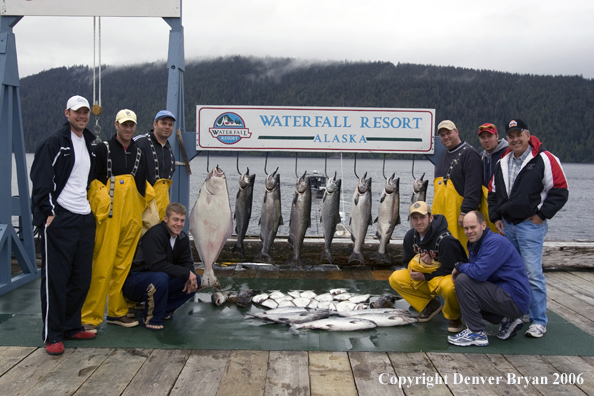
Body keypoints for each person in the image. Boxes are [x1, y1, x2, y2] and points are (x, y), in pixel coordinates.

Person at [488, 119, 569, 338]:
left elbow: (560, 190)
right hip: (507, 227)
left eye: (518, 134)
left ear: (527, 135)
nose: (515, 139)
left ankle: (538, 320)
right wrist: (495, 217)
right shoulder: (502, 162)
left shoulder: (544, 158)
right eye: (511, 136)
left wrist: (541, 215)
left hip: (529, 227)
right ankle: (519, 312)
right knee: (512, 272)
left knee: (533, 273)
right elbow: (493, 193)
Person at [30, 95, 97, 355]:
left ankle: (71, 325)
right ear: (67, 113)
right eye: (77, 112)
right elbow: (41, 178)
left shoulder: (89, 142)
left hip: (84, 217)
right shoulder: (54, 142)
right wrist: (48, 212)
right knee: (56, 279)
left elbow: (86, 179)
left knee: (81, 278)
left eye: (85, 112)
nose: (82, 116)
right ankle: (53, 335)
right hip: (61, 218)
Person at [81, 109, 151, 333]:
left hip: (131, 217)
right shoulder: (103, 149)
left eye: (131, 125)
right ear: (116, 125)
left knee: (122, 266)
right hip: (108, 217)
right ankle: (90, 316)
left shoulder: (139, 152)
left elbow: (143, 186)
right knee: (101, 265)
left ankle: (116, 312)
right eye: (124, 124)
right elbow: (92, 181)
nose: (128, 129)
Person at [447, 211, 531, 347]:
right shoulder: (476, 244)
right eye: (466, 228)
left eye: (473, 227)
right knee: (465, 288)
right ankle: (506, 320)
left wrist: (459, 266)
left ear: (483, 225)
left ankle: (476, 332)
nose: (469, 231)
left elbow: (479, 273)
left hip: (515, 299)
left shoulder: (495, 243)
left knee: (463, 281)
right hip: (506, 295)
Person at [389, 201, 467, 333]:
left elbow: (455, 270)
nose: (419, 222)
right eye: (415, 218)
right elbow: (406, 262)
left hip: (445, 277)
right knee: (395, 278)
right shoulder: (410, 236)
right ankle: (430, 305)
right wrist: (418, 263)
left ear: (431, 218)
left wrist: (429, 270)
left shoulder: (446, 240)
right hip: (426, 279)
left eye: (422, 217)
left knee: (449, 286)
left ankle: (455, 317)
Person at [123, 203, 199, 330]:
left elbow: (187, 263)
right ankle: (151, 318)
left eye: (182, 221)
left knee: (196, 279)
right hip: (135, 282)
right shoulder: (155, 234)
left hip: (159, 279)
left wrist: (190, 274)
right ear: (166, 219)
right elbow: (157, 265)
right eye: (175, 219)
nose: (179, 224)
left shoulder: (182, 237)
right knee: (161, 277)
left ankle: (163, 309)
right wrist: (186, 273)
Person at [432, 120, 484, 250]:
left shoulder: (469, 154)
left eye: (448, 133)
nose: (446, 137)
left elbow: (473, 187)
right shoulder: (445, 154)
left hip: (459, 216)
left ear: (456, 132)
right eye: (442, 135)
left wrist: (465, 212)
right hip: (442, 216)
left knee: (462, 250)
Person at [134, 110, 176, 220]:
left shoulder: (168, 149)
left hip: (162, 208)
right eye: (163, 123)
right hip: (140, 205)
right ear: (155, 124)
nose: (167, 127)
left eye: (170, 124)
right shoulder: (141, 142)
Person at [477, 123, 508, 187]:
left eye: (489, 136)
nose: (486, 140)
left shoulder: (507, 154)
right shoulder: (481, 157)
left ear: (497, 136)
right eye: (482, 137)